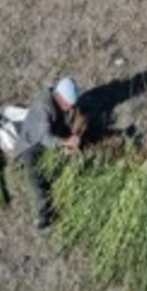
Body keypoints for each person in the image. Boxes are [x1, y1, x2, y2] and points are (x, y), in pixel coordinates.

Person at [18, 76, 85, 229]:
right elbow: (45, 138)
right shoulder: (43, 107)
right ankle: (43, 211)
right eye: (68, 105)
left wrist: (69, 141)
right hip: (32, 142)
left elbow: (63, 126)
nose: (70, 109)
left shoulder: (61, 104)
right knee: (33, 175)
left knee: (64, 160)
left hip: (52, 137)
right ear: (60, 98)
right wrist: (65, 142)